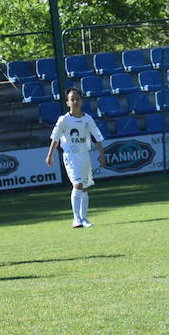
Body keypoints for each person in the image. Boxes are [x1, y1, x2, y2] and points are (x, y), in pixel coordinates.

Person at [44, 87, 105, 229]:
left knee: (84, 187)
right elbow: (55, 138)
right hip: (70, 156)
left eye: (77, 98)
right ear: (67, 103)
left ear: (81, 101)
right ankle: (76, 219)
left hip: (84, 155)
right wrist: (50, 155)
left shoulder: (87, 119)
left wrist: (102, 154)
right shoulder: (63, 120)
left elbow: (97, 137)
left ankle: (84, 218)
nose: (75, 101)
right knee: (77, 185)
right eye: (72, 99)